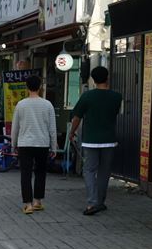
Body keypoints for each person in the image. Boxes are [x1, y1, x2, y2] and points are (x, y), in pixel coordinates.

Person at [69, 66, 122, 216]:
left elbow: (77, 117)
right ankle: (100, 202)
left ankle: (92, 203)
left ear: (92, 79)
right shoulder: (117, 96)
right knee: (104, 171)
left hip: (90, 140)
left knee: (89, 170)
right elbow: (116, 113)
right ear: (107, 78)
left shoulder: (87, 96)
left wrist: (72, 132)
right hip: (109, 140)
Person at [11, 75, 58, 214]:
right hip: (42, 143)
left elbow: (15, 127)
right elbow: (52, 128)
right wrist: (54, 146)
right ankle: (38, 201)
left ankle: (28, 204)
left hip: (25, 144)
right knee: (40, 172)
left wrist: (13, 144)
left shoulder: (21, 104)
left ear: (27, 87)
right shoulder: (47, 105)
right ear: (40, 87)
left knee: (25, 173)